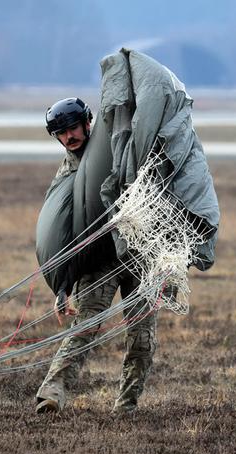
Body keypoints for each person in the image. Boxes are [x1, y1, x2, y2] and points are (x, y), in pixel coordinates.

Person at [35, 97, 158, 415]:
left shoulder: (119, 149)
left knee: (141, 337)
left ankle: (127, 406)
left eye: (72, 128)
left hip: (138, 253)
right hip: (99, 260)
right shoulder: (67, 177)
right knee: (85, 327)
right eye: (60, 133)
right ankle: (52, 393)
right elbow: (62, 231)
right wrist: (62, 285)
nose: (67, 138)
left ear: (87, 123)